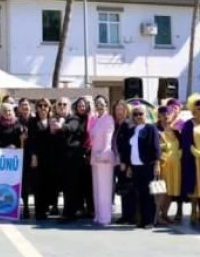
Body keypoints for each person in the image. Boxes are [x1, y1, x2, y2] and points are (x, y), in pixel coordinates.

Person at [117, 104, 159, 228]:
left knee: (149, 194)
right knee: (139, 194)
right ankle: (141, 220)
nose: (138, 116)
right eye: (135, 114)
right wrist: (129, 166)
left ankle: (149, 220)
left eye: (141, 114)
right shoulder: (132, 130)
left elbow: (155, 148)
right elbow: (128, 150)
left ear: (146, 115)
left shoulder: (151, 128)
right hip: (135, 167)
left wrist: (157, 164)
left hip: (147, 166)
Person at [60, 97, 91, 223]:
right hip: (73, 156)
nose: (81, 107)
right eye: (79, 105)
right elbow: (71, 126)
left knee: (84, 186)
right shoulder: (75, 118)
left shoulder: (90, 119)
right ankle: (69, 212)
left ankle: (84, 210)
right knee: (71, 185)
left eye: (83, 105)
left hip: (86, 156)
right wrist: (64, 126)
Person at [88, 96, 115, 225]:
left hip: (104, 157)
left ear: (106, 105)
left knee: (104, 188)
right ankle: (98, 215)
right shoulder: (95, 119)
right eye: (97, 103)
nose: (99, 106)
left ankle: (105, 217)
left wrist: (104, 153)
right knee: (97, 187)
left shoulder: (108, 119)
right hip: (95, 156)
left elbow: (108, 137)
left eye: (102, 103)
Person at [156, 106, 183, 225]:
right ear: (159, 116)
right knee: (161, 192)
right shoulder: (155, 130)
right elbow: (153, 149)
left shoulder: (176, 131)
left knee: (170, 192)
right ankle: (156, 216)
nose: (166, 116)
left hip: (175, 165)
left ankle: (165, 214)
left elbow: (181, 147)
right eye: (163, 114)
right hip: (162, 165)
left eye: (168, 114)